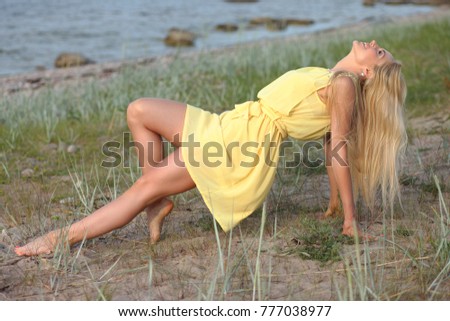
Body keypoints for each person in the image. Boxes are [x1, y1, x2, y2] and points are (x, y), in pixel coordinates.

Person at [15, 40, 407, 256]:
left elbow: (336, 148)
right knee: (139, 111)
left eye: (380, 51)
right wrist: (334, 204)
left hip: (236, 147)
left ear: (368, 72)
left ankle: (56, 240)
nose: (374, 44)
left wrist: (349, 221)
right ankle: (158, 200)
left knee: (141, 188)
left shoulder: (343, 87)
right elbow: (329, 146)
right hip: (228, 124)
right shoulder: (331, 77)